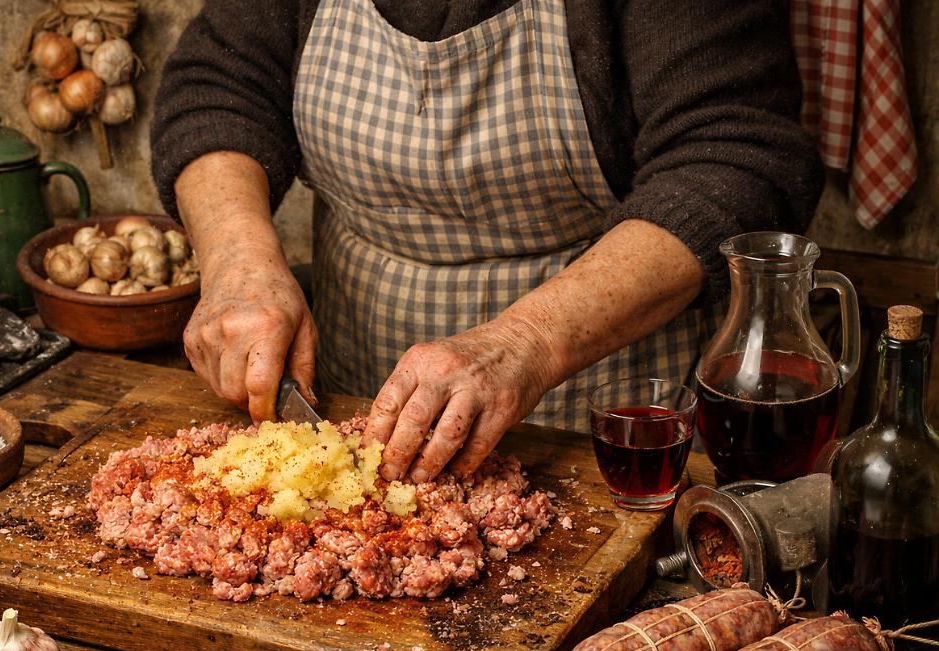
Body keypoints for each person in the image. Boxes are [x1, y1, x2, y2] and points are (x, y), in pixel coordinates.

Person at [151, 0, 823, 483]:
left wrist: (522, 345)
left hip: (604, 416)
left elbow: (736, 160)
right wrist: (237, 263)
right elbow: (218, 87)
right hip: (352, 382)